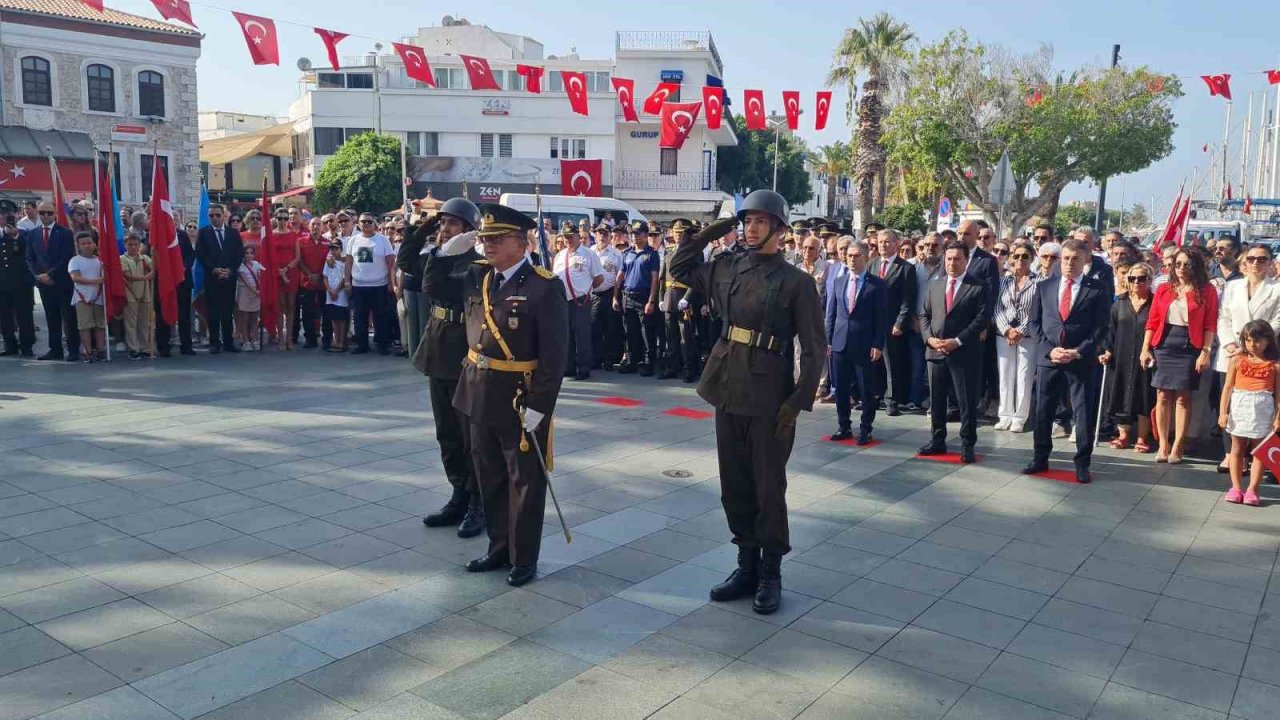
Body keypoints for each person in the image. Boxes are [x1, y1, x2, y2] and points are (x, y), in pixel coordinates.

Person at [669, 189, 826, 616]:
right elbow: (680, 265)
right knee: (734, 483)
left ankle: (770, 572)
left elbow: (815, 349)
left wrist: (797, 404)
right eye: (746, 221)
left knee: (768, 487)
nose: (751, 228)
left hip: (770, 396)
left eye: (759, 221)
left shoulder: (797, 282)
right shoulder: (726, 265)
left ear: (779, 229)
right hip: (726, 385)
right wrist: (716, 228)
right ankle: (745, 566)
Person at [440, 203, 567, 587]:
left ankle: (523, 557)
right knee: (490, 476)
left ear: (522, 242)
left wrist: (539, 408)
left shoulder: (545, 286)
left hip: (519, 397)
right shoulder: (477, 277)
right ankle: (498, 548)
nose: (488, 245)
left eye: (496, 239)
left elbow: (554, 357)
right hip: (478, 393)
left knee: (524, 483)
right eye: (485, 238)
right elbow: (430, 282)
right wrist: (450, 247)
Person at [412, 197, 487, 538]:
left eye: (452, 223)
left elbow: (431, 286)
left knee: (469, 435)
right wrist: (426, 227)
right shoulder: (439, 254)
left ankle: (478, 501)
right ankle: (458, 493)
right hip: (438, 350)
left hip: (463, 355)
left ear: (469, 231)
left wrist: (443, 255)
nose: (445, 229)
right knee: (446, 434)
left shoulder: (476, 262)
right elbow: (406, 264)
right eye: (442, 223)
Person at [1022, 239, 1112, 483]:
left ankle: (1082, 463)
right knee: (1043, 410)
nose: (1070, 263)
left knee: (1082, 413)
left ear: (1085, 261)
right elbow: (1035, 324)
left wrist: (1079, 351)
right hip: (1049, 359)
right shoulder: (1044, 287)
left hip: (1080, 360)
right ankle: (1040, 457)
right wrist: (1050, 350)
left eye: (1075, 259)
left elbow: (1101, 327)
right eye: (1066, 258)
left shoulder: (1097, 289)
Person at [1141, 248, 1219, 464]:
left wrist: (1205, 351)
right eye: (1178, 264)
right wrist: (1145, 347)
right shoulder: (1164, 288)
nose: (1182, 268)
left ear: (1196, 266)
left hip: (1190, 345)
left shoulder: (1207, 290)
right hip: (1164, 343)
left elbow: (1210, 324)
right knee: (1162, 396)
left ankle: (1178, 445)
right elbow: (1153, 321)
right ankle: (1163, 443)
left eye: (1187, 264)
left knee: (1184, 398)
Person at [919, 239, 989, 463]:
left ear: (966, 261)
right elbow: (924, 315)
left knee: (966, 401)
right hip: (936, 352)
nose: (952, 263)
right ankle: (937, 440)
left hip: (964, 352)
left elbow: (981, 319)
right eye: (948, 259)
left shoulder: (978, 286)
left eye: (957, 259)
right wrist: (929, 338)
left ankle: (967, 444)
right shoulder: (935, 283)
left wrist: (957, 341)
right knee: (937, 400)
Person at [1213, 243, 1280, 471]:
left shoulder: (1277, 289)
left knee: (1261, 404)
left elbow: (1277, 322)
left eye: (1262, 260)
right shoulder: (1232, 287)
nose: (1256, 264)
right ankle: (1231, 455)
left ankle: (1258, 457)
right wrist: (1232, 344)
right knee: (1231, 399)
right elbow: (1223, 317)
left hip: (1264, 353)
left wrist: (1256, 345)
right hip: (1233, 353)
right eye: (1251, 259)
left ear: (1270, 263)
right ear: (1244, 262)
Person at [826, 241, 886, 445]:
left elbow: (881, 318)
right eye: (849, 255)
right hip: (840, 343)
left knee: (866, 389)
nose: (851, 259)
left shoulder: (877, 284)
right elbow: (831, 314)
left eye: (856, 256)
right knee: (841, 388)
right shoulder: (839, 281)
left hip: (865, 344)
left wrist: (878, 344)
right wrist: (828, 340)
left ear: (866, 258)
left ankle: (866, 428)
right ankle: (844, 426)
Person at [1218, 319, 1280, 507]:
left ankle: (1253, 489)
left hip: (1262, 409)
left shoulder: (1275, 365)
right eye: (1249, 340)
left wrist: (1278, 417)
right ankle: (1236, 487)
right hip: (1239, 406)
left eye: (1258, 341)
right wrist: (1223, 412)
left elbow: (1278, 395)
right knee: (1236, 448)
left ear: (1269, 341)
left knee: (1259, 451)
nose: (1253, 345)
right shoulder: (1236, 360)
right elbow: (1227, 388)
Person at [1101, 262, 1157, 453]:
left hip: (1145, 357)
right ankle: (1123, 435)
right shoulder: (1119, 303)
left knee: (1143, 396)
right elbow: (1110, 330)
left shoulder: (1155, 303)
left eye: (1141, 279)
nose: (1136, 282)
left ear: (1150, 280)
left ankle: (1142, 437)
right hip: (1121, 355)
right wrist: (1107, 350)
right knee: (1121, 393)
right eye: (1132, 279)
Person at [871, 229, 918, 417]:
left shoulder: (906, 268)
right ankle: (875, 396)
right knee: (874, 361)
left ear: (896, 244)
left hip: (893, 324)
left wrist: (900, 323)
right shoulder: (872, 264)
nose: (883, 245)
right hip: (874, 323)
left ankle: (892, 400)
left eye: (887, 242)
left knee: (892, 364)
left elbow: (908, 300)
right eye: (880, 242)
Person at [994, 244, 1040, 432]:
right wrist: (1006, 330)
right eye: (1017, 256)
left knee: (1024, 376)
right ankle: (1004, 415)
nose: (1020, 260)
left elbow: (1037, 310)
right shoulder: (1004, 281)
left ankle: (1019, 418)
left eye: (1025, 256)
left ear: (1032, 258)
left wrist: (1020, 330)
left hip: (1027, 335)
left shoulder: (1039, 282)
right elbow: (997, 307)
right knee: (1005, 375)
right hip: (1004, 335)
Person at [25, 202, 79, 361]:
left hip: (61, 281)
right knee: (51, 316)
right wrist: (38, 275)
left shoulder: (65, 233)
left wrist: (51, 274)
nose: (45, 216)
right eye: (42, 213)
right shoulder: (33, 234)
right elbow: (29, 257)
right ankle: (55, 349)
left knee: (68, 317)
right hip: (43, 282)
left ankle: (73, 349)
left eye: (49, 213)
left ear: (55, 213)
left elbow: (66, 256)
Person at [553, 221, 604, 381]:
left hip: (581, 301)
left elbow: (599, 278)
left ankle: (583, 368)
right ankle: (568, 367)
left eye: (571, 237)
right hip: (563, 301)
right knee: (566, 335)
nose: (568, 240)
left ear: (578, 236)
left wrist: (586, 290)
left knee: (582, 335)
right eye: (565, 237)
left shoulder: (588, 254)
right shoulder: (560, 255)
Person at [658, 219, 703, 382]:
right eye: (675, 232)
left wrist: (687, 298)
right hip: (669, 297)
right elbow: (662, 277)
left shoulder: (694, 252)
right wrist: (661, 297)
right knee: (671, 336)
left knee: (687, 337)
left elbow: (697, 277)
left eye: (681, 233)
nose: (677, 235)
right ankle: (672, 366)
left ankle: (689, 369)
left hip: (684, 297)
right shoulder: (669, 251)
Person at [614, 222, 661, 376]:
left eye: (638, 233)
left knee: (646, 332)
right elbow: (619, 277)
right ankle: (631, 360)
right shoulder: (626, 253)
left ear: (646, 235)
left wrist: (651, 301)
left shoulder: (651, 254)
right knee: (629, 331)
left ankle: (648, 362)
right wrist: (615, 297)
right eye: (633, 233)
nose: (634, 236)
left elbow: (655, 279)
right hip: (627, 296)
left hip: (643, 297)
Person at [196, 205, 244, 354]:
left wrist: (230, 270)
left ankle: (228, 342)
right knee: (213, 312)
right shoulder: (203, 233)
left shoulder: (233, 233)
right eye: (211, 216)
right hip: (212, 278)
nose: (214, 218)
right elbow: (201, 254)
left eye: (217, 215)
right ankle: (214, 342)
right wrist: (213, 269)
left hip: (229, 278)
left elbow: (238, 254)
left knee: (227, 311)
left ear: (224, 216)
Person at [346, 212, 396, 355]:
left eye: (369, 222)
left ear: (374, 223)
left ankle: (382, 344)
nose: (366, 224)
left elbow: (390, 262)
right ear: (358, 224)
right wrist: (347, 280)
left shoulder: (383, 240)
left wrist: (390, 282)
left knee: (380, 316)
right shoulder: (353, 240)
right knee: (359, 316)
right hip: (358, 285)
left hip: (379, 285)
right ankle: (362, 344)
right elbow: (348, 261)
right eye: (363, 222)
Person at [0, 216, 35, 357]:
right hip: (2, 283)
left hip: (21, 283)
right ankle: (10, 344)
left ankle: (27, 345)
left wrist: (16, 234)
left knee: (24, 316)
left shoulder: (23, 233)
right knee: (5, 316)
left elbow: (30, 245)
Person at [68, 231, 106, 362]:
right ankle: (87, 351)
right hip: (82, 297)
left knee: (99, 324)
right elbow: (76, 278)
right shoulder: (75, 260)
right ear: (78, 246)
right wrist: (97, 281)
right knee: (84, 325)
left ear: (94, 244)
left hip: (99, 297)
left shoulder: (100, 260)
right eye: (83, 244)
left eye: (89, 243)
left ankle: (100, 349)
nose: (87, 246)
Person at [591, 225, 625, 370]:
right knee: (594, 328)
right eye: (600, 234)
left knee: (610, 328)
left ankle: (609, 359)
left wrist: (615, 297)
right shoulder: (589, 252)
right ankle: (595, 358)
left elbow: (619, 277)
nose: (602, 237)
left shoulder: (616, 254)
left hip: (609, 294)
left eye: (605, 234)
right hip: (592, 295)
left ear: (610, 236)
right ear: (595, 235)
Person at [296, 219, 330, 349]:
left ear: (322, 227)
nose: (315, 227)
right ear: (309, 227)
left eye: (318, 225)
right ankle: (310, 339)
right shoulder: (301, 241)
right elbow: (299, 261)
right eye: (313, 225)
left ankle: (327, 339)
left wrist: (320, 275)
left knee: (326, 312)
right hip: (307, 281)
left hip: (323, 282)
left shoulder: (328, 243)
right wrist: (310, 275)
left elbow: (329, 261)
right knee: (307, 312)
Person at [120, 234, 154, 359]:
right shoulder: (122, 258)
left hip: (145, 294)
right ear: (126, 245)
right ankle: (133, 348)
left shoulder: (144, 258)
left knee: (145, 322)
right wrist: (146, 277)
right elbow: (127, 275)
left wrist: (154, 259)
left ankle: (145, 347)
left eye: (136, 244)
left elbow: (154, 268)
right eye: (130, 244)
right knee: (131, 323)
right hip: (130, 294)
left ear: (140, 245)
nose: (133, 247)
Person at [322, 240, 350, 353]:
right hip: (330, 294)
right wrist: (329, 290)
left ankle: (342, 342)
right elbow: (325, 277)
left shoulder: (344, 263)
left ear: (341, 249)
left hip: (341, 294)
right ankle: (336, 340)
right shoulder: (328, 262)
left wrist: (336, 291)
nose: (333, 251)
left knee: (342, 319)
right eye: (331, 249)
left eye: (336, 249)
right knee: (334, 319)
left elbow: (345, 278)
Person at [235, 244, 264, 351]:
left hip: (256, 293)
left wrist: (260, 290)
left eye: (251, 253)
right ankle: (246, 340)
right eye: (247, 253)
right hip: (245, 292)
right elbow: (245, 281)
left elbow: (263, 275)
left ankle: (255, 339)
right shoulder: (241, 266)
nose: (249, 255)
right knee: (244, 318)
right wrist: (255, 291)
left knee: (254, 318)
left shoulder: (257, 264)